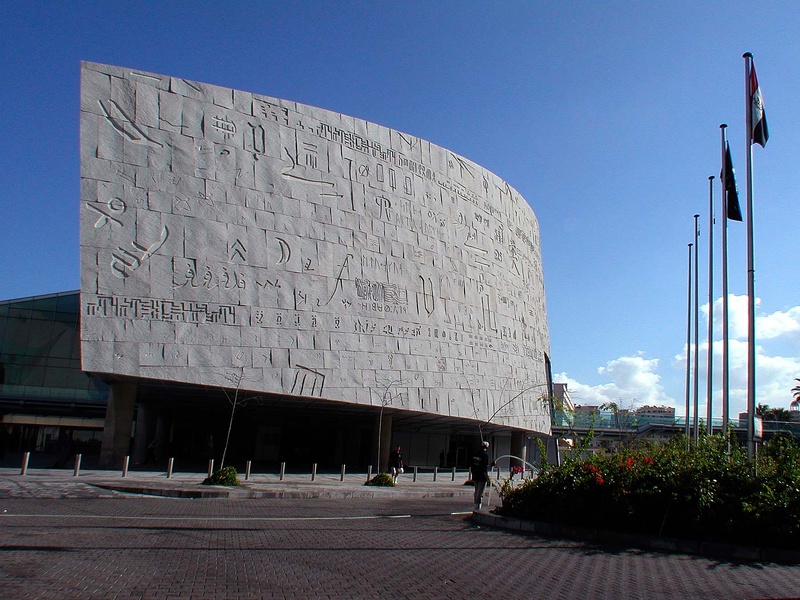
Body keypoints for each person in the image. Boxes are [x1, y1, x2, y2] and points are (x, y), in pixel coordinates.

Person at [471, 440, 494, 511]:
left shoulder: (475, 454)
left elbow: (472, 465)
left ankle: (476, 504)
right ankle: (477, 507)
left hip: (475, 475)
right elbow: (484, 467)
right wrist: (491, 465)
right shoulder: (485, 456)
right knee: (479, 492)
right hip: (482, 476)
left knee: (476, 491)